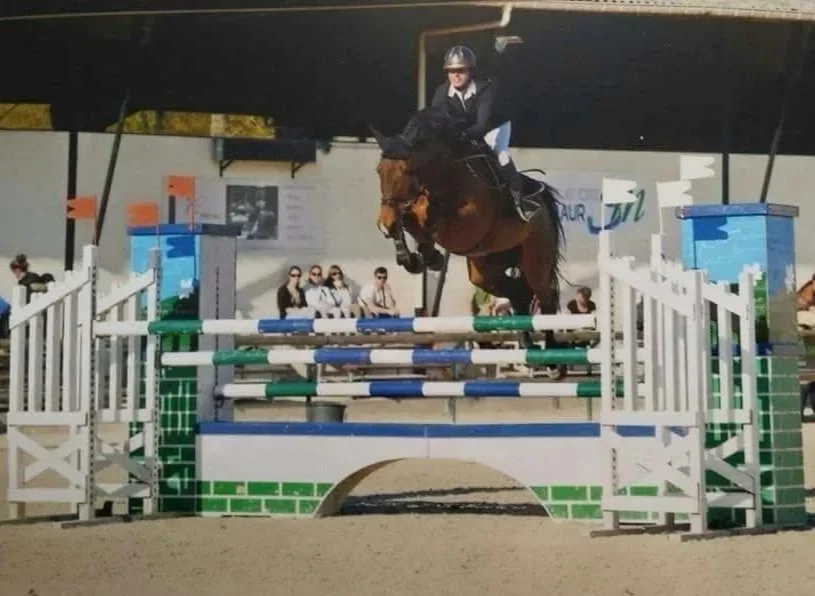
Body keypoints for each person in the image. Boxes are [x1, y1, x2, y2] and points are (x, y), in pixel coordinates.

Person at [430, 44, 534, 221]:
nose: (456, 75)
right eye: (451, 70)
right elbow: (433, 121)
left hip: (494, 126)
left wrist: (460, 136)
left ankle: (520, 202)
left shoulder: (485, 88)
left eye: (461, 70)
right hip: (466, 128)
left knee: (500, 155)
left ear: (470, 71)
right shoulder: (441, 92)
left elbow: (482, 125)